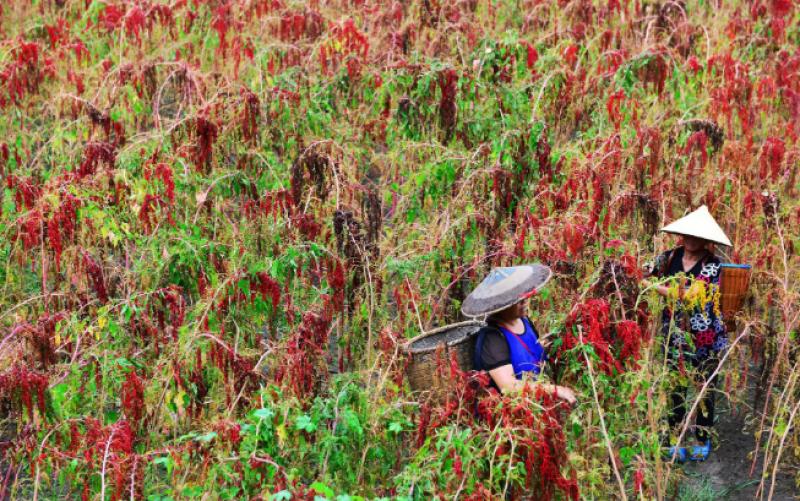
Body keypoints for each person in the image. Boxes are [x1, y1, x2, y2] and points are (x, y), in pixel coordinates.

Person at [641, 205, 730, 462]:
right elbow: (642, 271)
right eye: (688, 234)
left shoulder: (712, 265)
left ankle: (702, 437)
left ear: (706, 240)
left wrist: (651, 285)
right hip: (674, 333)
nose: (691, 239)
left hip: (706, 336)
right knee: (675, 385)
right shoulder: (670, 257)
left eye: (697, 235)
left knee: (704, 386)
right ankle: (674, 438)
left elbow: (689, 296)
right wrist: (645, 275)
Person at [462, 264, 577, 405]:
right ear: (502, 305)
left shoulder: (524, 320)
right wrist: (554, 390)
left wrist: (547, 346)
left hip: (538, 402)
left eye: (523, 296)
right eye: (518, 300)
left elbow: (525, 352)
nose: (524, 301)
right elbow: (508, 387)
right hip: (514, 411)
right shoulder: (493, 338)